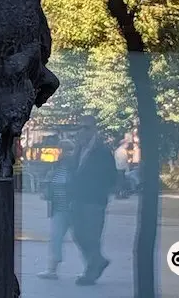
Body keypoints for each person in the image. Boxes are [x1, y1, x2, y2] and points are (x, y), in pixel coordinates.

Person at [69, 115, 117, 286]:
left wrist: (99, 189)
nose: (82, 131)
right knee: (78, 234)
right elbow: (73, 173)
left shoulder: (102, 150)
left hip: (94, 201)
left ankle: (91, 271)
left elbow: (111, 175)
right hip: (78, 199)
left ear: (94, 130)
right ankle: (97, 261)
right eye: (81, 127)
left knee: (91, 236)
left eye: (87, 128)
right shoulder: (78, 150)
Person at [37, 138, 78, 280]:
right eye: (62, 149)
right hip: (59, 210)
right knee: (55, 238)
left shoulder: (76, 168)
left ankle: (91, 267)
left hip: (74, 210)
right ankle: (52, 269)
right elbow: (49, 186)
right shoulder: (55, 167)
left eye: (68, 149)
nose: (64, 153)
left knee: (82, 239)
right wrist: (46, 190)